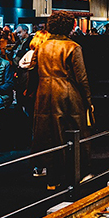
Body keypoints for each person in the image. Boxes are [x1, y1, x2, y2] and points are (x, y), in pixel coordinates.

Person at [31, 12, 92, 187]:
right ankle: (76, 176)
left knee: (48, 135)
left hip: (43, 95)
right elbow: (81, 77)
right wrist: (88, 99)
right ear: (70, 26)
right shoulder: (73, 47)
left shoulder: (41, 47)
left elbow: (32, 73)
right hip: (67, 95)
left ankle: (52, 178)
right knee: (73, 134)